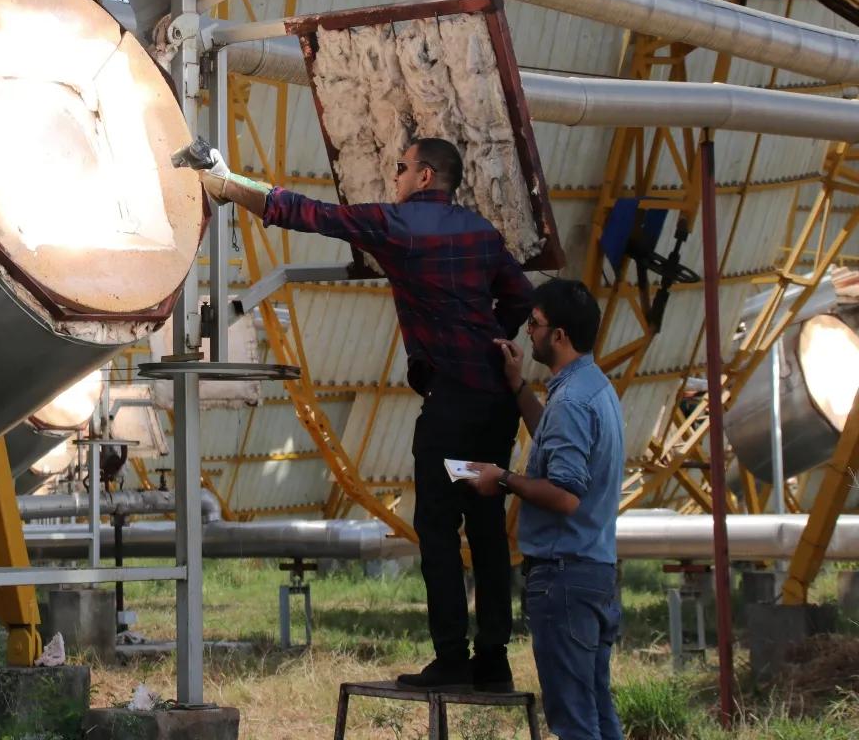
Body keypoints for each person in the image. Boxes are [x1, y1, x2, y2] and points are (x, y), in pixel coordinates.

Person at [181, 135, 533, 692]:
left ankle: (450, 658)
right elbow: (519, 298)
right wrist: (491, 338)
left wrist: (229, 185)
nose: (393, 176)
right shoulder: (482, 234)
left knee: (439, 529)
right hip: (492, 405)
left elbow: (307, 214)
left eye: (400, 167)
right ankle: (493, 661)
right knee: (486, 528)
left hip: (449, 414)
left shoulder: (398, 227)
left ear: (423, 178)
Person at [466, 278, 625, 740]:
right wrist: (518, 387)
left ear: (560, 335)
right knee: (597, 712)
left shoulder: (573, 401)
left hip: (564, 577)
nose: (527, 332)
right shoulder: (592, 389)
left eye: (534, 324)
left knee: (574, 722)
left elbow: (566, 494)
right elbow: (558, 447)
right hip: (594, 572)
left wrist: (506, 480)